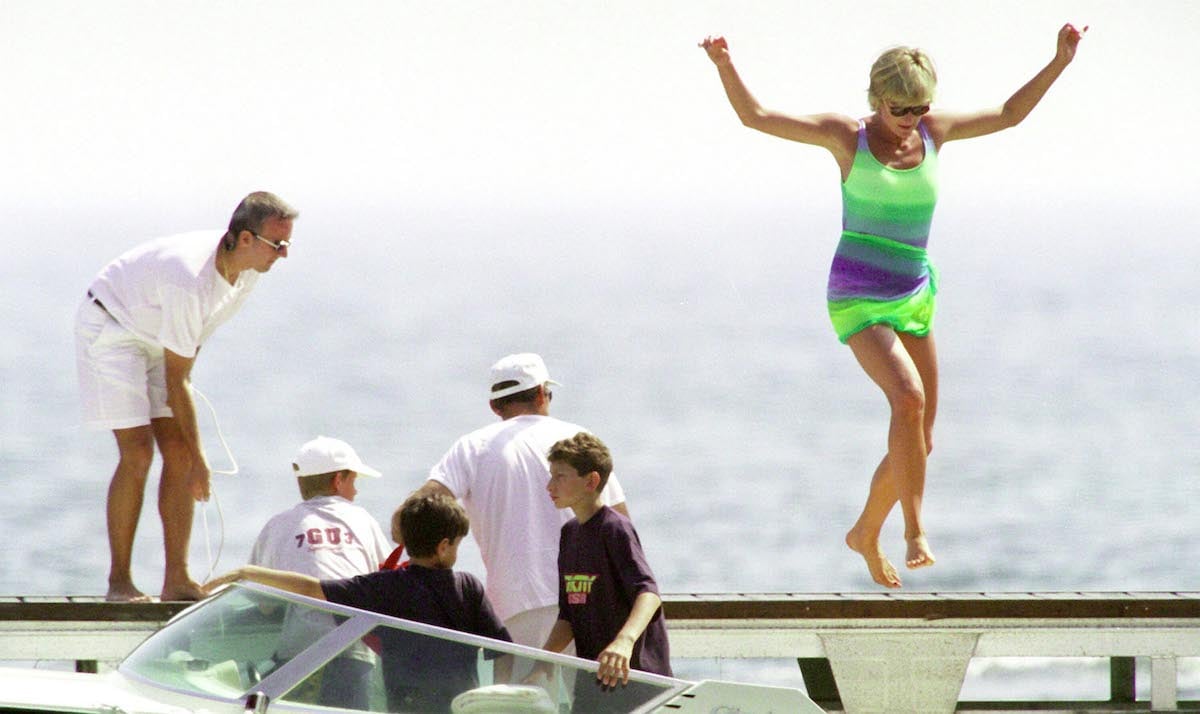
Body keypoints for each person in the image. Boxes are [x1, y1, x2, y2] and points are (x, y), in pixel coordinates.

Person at [700, 25, 1086, 588]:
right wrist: (724, 64)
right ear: (875, 99)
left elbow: (1008, 112)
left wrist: (1060, 61)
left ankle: (864, 533)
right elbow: (756, 117)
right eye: (898, 107)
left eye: (919, 105)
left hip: (913, 289)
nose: (909, 117)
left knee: (921, 436)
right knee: (907, 399)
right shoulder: (845, 138)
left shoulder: (934, 132)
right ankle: (914, 530)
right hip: (858, 292)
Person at [76, 191, 298, 602]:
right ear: (245, 239)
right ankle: (119, 583)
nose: (284, 254)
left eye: (288, 243)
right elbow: (177, 380)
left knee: (176, 453)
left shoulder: (246, 274)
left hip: (158, 334)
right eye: (278, 244)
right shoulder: (189, 278)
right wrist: (202, 460)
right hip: (111, 326)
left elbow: (186, 360)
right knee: (139, 452)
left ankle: (175, 580)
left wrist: (191, 454)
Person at [205, 493, 513, 711]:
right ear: (444, 547)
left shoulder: (385, 587)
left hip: (406, 708)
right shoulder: (468, 587)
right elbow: (503, 650)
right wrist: (495, 698)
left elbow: (312, 589)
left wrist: (248, 572)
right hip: (460, 708)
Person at [412, 352, 629, 653]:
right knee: (592, 699)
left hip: (514, 603)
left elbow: (414, 512)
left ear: (493, 405)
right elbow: (620, 524)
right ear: (542, 393)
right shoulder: (578, 439)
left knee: (520, 699)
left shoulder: (471, 447)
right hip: (586, 597)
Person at [247, 436, 391, 709]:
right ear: (338, 480)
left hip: (298, 656)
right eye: (354, 482)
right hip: (353, 651)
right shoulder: (364, 521)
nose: (356, 492)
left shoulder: (278, 525)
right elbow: (388, 584)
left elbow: (265, 605)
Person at [533, 432, 670, 713]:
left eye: (560, 476)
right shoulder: (569, 534)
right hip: (593, 679)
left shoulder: (615, 529)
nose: (550, 485)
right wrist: (544, 660)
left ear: (591, 481)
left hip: (636, 680)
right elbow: (568, 614)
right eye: (551, 475)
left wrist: (624, 641)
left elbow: (648, 593)